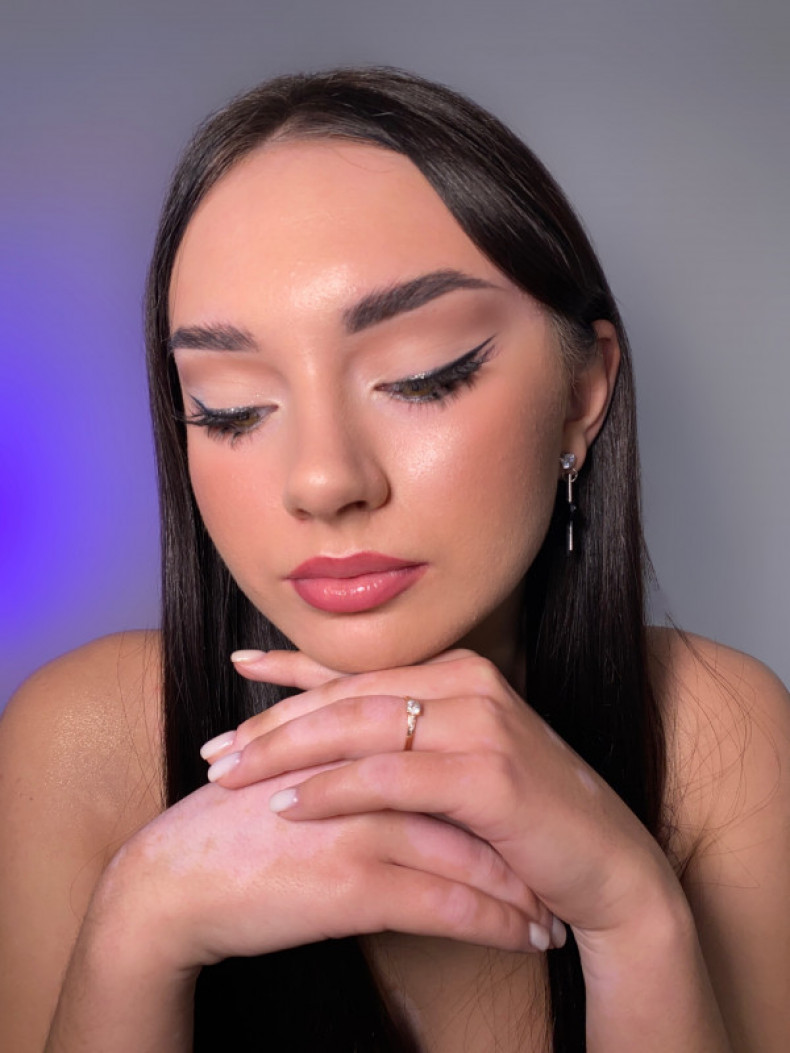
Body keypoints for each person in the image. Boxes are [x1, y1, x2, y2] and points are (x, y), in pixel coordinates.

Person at [0, 67, 787, 1053]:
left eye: (421, 378)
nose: (324, 481)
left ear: (583, 393)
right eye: (230, 408)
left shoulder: (718, 738)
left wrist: (636, 918)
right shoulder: (83, 741)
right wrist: (133, 932)